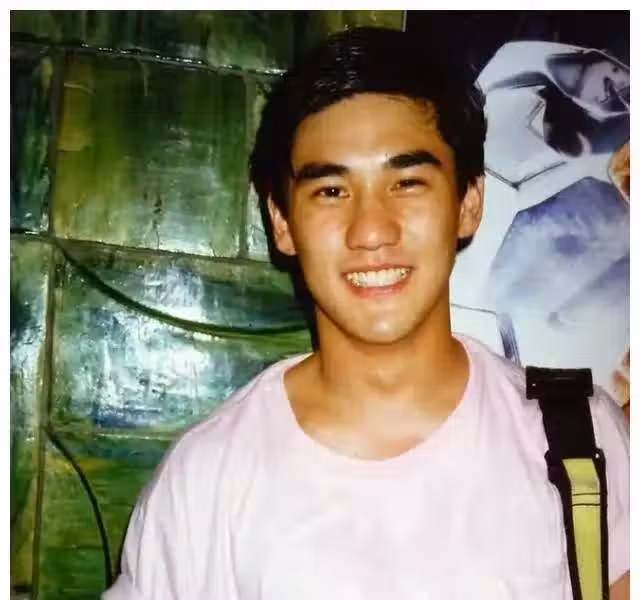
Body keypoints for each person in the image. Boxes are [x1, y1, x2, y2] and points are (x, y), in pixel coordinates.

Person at [103, 27, 629, 599]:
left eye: (407, 182)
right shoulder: (206, 482)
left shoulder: (584, 439)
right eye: (331, 191)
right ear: (282, 222)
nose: (372, 231)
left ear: (468, 203)